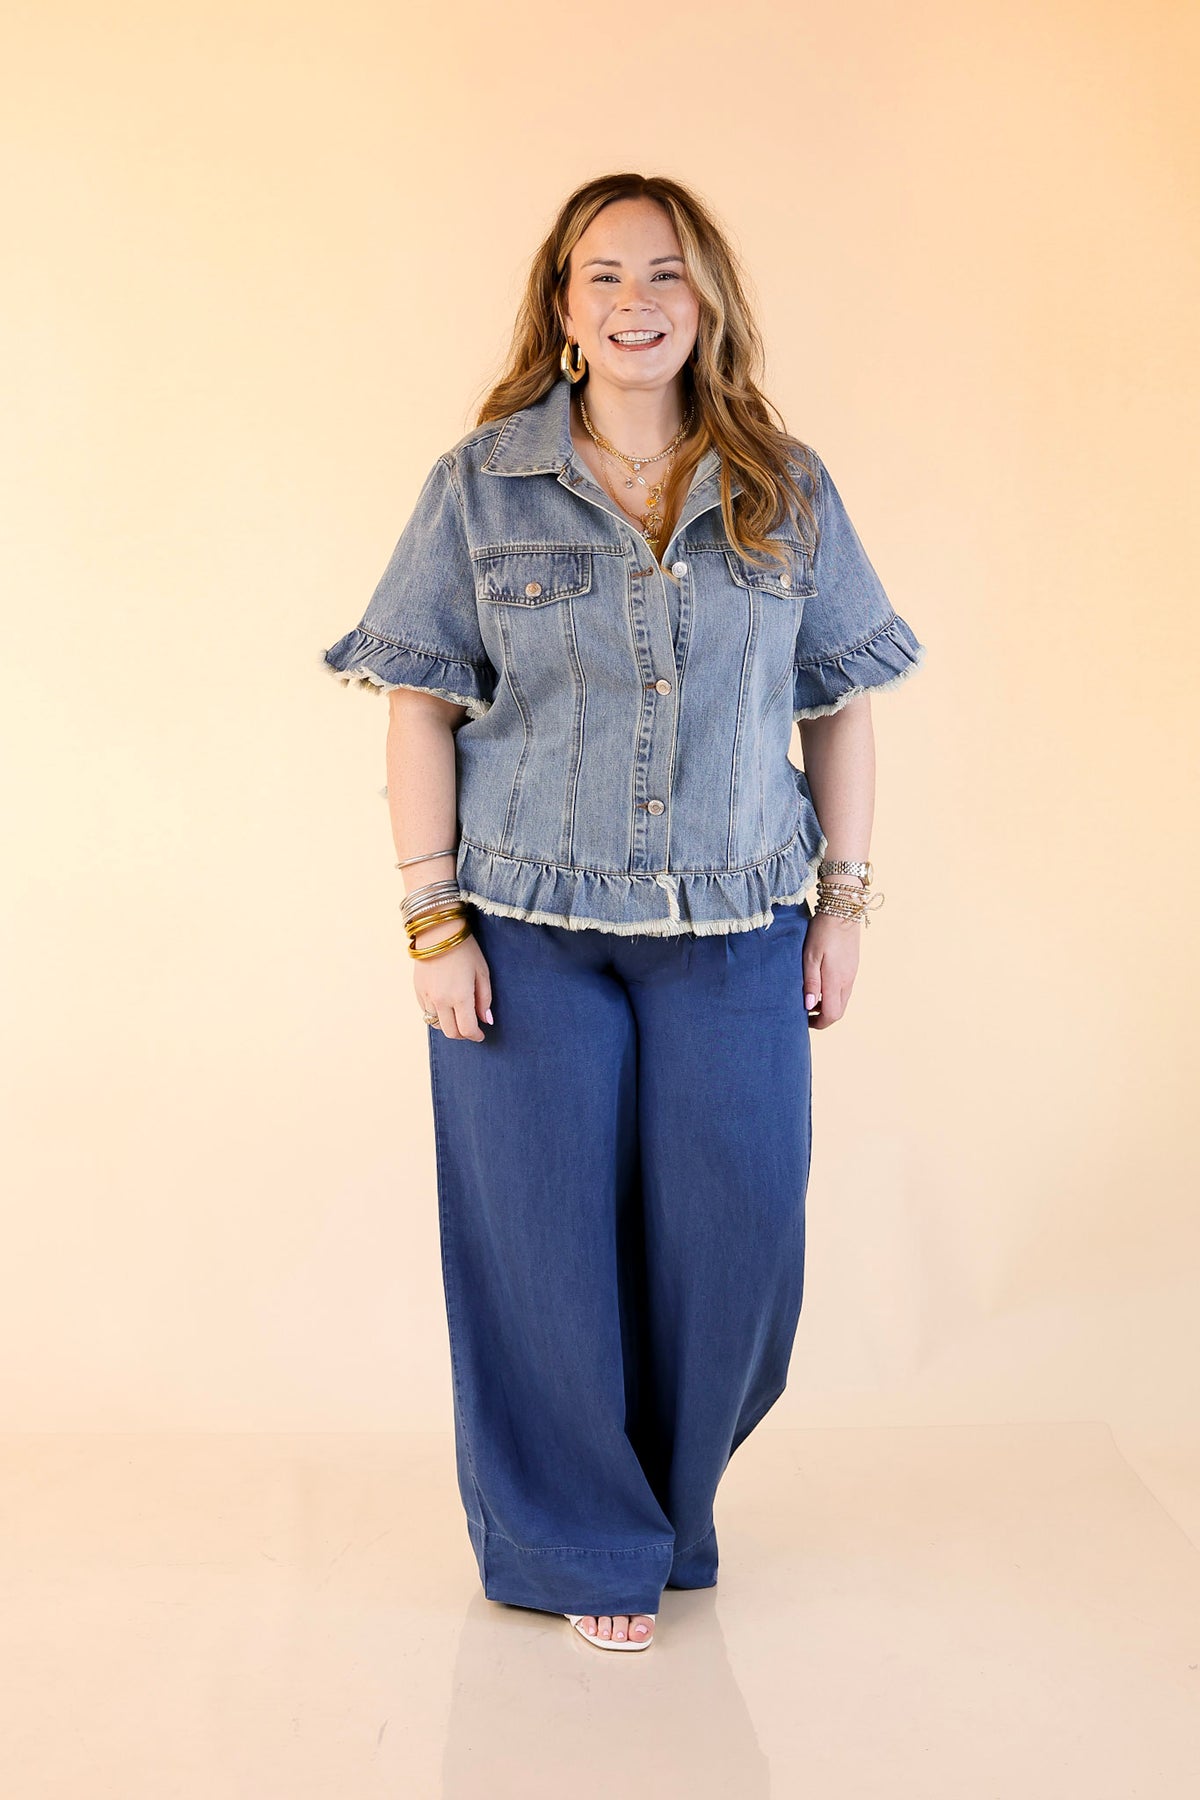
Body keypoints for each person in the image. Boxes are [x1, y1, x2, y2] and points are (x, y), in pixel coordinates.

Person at [322, 172, 927, 1653]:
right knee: (538, 1249)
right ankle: (584, 1541)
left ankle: (663, 1508)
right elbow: (418, 702)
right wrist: (430, 921)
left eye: (666, 272)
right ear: (563, 304)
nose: (636, 299)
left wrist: (844, 904)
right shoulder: (481, 486)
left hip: (736, 922)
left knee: (738, 1243)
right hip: (524, 924)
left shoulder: (786, 487)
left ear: (706, 301)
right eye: (604, 274)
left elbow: (841, 702)